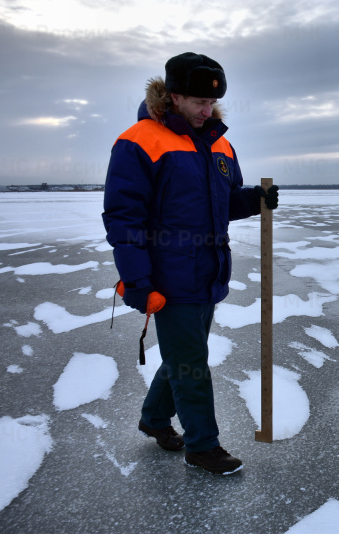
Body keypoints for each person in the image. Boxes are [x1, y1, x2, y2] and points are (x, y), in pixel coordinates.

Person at [102, 52, 279, 475]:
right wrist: (138, 282)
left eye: (211, 103)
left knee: (185, 355)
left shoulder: (220, 143)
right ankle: (203, 446)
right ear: (173, 95)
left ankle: (154, 418)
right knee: (191, 364)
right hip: (167, 277)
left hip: (210, 272)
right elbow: (124, 219)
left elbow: (224, 204)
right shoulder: (139, 141)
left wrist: (253, 199)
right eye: (197, 102)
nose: (206, 110)